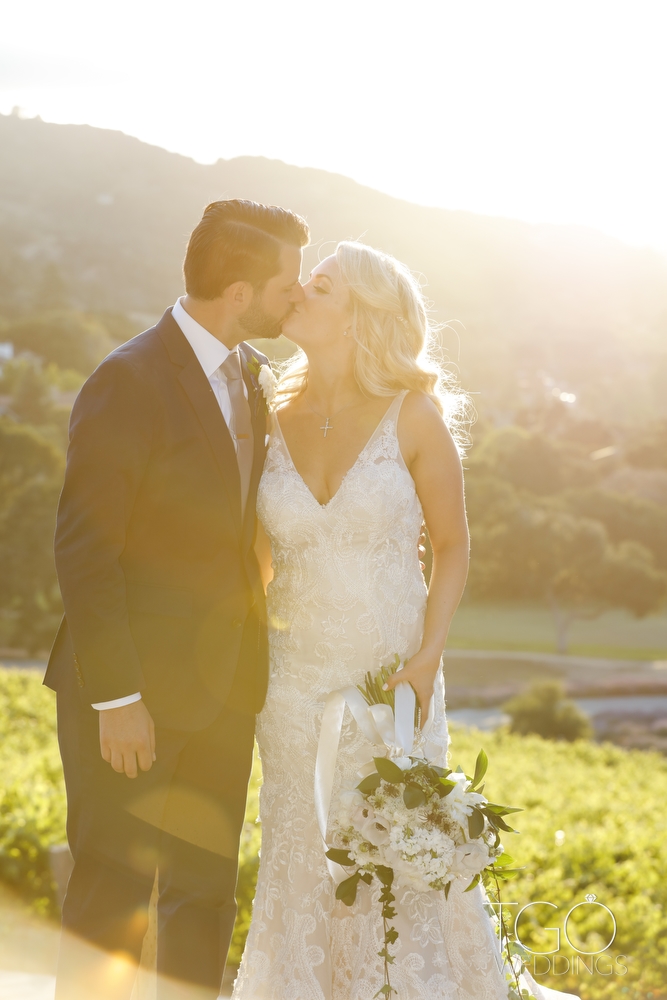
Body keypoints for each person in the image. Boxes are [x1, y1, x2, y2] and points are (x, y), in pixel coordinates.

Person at [232, 241, 578, 1000]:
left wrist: (425, 659)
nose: (296, 293)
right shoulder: (268, 412)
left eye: (317, 287)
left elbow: (452, 547)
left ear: (360, 314)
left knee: (399, 853)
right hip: (289, 687)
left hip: (394, 677)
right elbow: (255, 563)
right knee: (299, 851)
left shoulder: (412, 415)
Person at [44, 199, 309, 1000]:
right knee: (112, 899)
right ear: (238, 292)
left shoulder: (254, 380)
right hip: (132, 700)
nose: (295, 299)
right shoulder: (128, 379)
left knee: (205, 899)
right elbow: (87, 551)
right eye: (287, 286)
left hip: (226, 689)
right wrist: (118, 696)